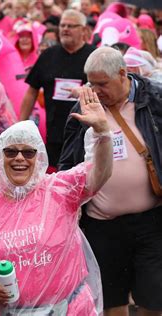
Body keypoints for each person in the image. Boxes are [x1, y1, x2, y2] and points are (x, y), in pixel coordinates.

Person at [0, 90, 112, 314]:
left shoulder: (61, 189)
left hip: (68, 309)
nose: (19, 158)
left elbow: (99, 173)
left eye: (28, 152)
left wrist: (101, 133)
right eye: (11, 151)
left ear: (40, 156)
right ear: (0, 157)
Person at [59, 47, 162, 316]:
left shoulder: (154, 98)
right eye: (91, 82)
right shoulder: (83, 107)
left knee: (155, 299)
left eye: (102, 83)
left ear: (122, 74)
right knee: (111, 301)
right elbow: (69, 160)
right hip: (102, 225)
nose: (95, 89)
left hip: (152, 221)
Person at [19, 9, 95, 171]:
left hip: (84, 132)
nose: (65, 29)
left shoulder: (94, 55)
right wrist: (20, 124)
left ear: (83, 30)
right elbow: (32, 91)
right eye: (62, 25)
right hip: (53, 132)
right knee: (55, 176)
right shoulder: (48, 55)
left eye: (71, 26)